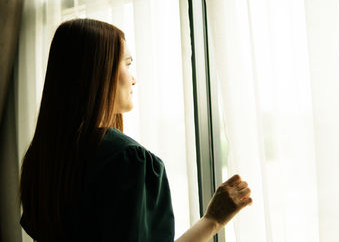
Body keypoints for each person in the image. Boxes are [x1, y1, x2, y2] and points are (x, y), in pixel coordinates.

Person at [19, 18, 252, 242]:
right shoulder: (127, 160)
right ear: (99, 71)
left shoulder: (41, 158)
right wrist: (212, 220)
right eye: (128, 64)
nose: (134, 79)